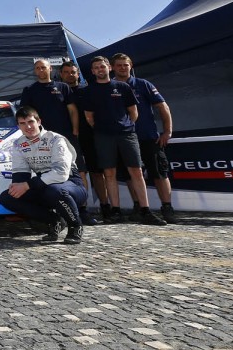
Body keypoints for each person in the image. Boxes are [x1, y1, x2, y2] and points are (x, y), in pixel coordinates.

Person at [81, 56, 165, 226]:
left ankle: (145, 210)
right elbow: (89, 117)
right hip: (103, 136)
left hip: (127, 134)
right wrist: (104, 128)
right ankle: (116, 211)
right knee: (109, 173)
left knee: (137, 172)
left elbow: (133, 113)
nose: (100, 70)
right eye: (96, 67)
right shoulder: (89, 91)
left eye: (102, 66)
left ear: (108, 68)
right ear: (92, 71)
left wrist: (124, 126)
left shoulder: (122, 87)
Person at [20, 59, 97, 225]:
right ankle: (55, 212)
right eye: (38, 68)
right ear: (35, 71)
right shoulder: (29, 90)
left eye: (44, 67)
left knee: (79, 171)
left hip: (66, 136)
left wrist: (75, 130)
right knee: (46, 172)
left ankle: (82, 210)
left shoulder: (63, 87)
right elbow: (25, 115)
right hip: (41, 140)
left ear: (50, 69)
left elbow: (73, 110)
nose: (41, 70)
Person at [0, 106, 87, 244]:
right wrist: (17, 187)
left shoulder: (56, 139)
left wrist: (28, 185)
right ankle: (55, 221)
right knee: (7, 197)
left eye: (31, 122)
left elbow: (61, 173)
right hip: (44, 185)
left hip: (71, 184)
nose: (28, 126)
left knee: (55, 190)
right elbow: (20, 175)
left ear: (39, 121)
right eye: (22, 123)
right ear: (18, 126)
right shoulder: (18, 145)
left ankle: (75, 226)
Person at [111, 53, 177, 224]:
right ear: (112, 67)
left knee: (159, 173)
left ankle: (167, 207)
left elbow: (163, 107)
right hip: (124, 139)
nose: (122, 68)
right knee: (130, 175)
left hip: (149, 138)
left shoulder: (143, 84)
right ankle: (138, 208)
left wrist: (167, 132)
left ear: (131, 65)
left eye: (125, 65)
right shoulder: (108, 87)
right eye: (118, 65)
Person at [60, 60, 109, 216]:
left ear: (78, 73)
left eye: (73, 72)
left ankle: (105, 206)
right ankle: (80, 208)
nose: (70, 75)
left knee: (97, 173)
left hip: (91, 137)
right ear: (61, 74)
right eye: (66, 72)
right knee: (72, 175)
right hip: (68, 139)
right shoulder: (58, 91)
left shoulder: (88, 90)